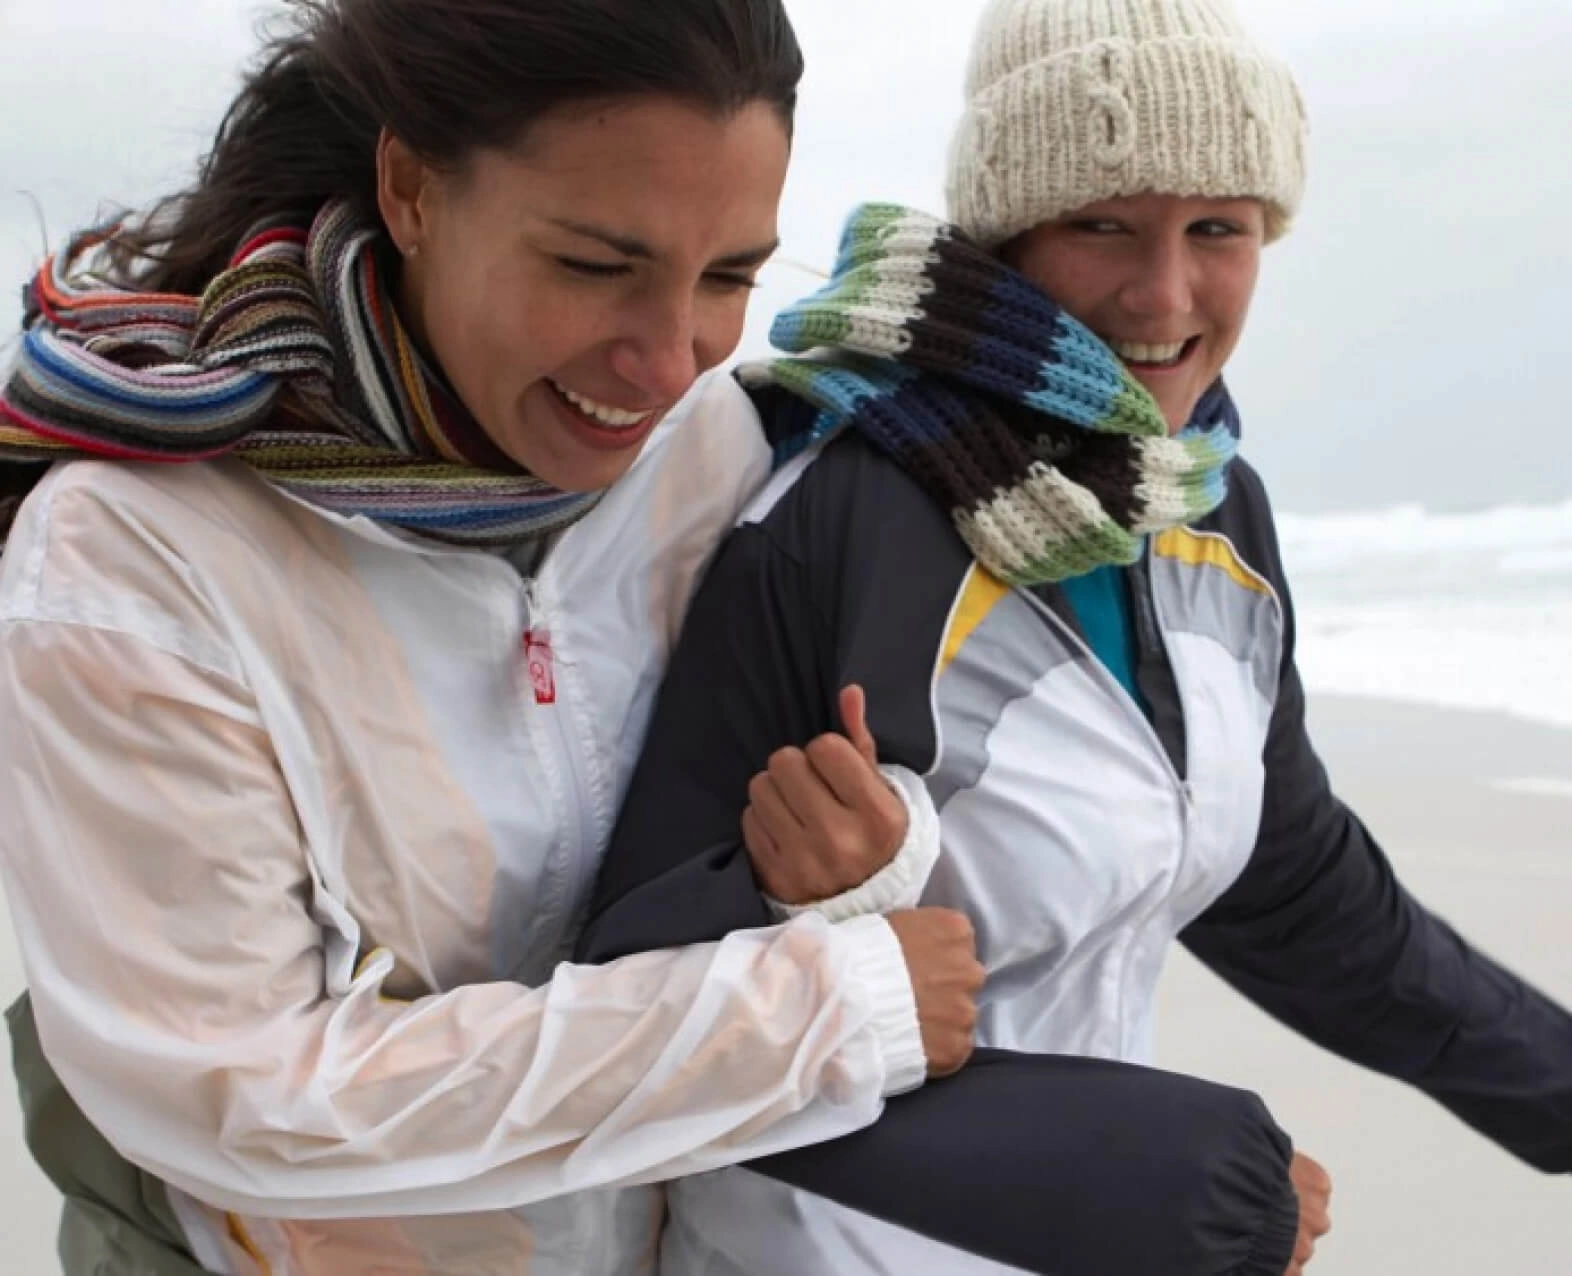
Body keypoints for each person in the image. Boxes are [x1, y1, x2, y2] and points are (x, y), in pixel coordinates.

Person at [0, 2, 1000, 1272]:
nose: (667, 358)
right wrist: (818, 1012)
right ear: (412, 189)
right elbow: (245, 1094)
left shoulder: (712, 455)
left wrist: (865, 863)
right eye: (595, 265)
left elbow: (734, 833)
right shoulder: (133, 562)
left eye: (733, 275)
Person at [580, 0, 1572, 1272]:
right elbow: (636, 980)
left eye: (1218, 227)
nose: (1165, 293)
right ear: (1007, 237)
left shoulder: (1207, 500)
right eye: (1104, 224)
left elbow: (1296, 888)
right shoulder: (842, 513)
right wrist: (1139, 1166)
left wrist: (1554, 1090)